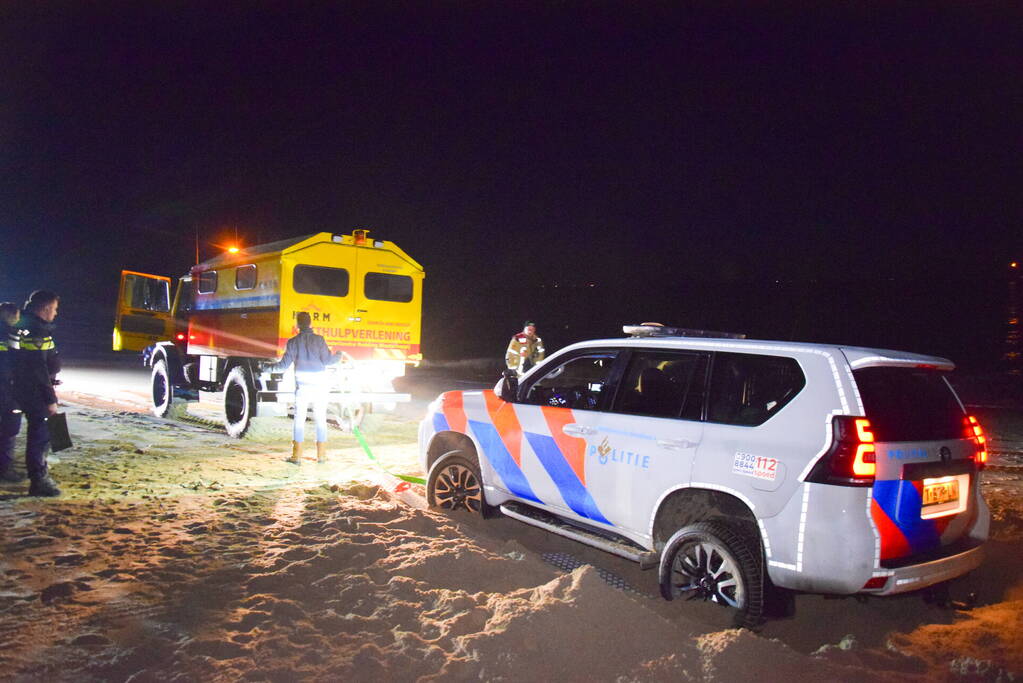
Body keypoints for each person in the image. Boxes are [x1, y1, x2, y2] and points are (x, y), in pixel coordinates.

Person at [269, 311, 339, 464]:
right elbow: (328, 361)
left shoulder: (293, 342)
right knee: (320, 419)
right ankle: (321, 456)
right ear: (310, 323)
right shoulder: (319, 340)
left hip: (303, 386)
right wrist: (339, 355)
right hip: (320, 385)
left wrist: (267, 368)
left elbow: (283, 365)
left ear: (298, 324)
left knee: (299, 419)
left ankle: (296, 456)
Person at [12, 290, 61, 496]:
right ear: (46, 308)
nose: (56, 313)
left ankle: (41, 472)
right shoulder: (36, 330)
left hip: (25, 387)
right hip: (35, 390)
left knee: (48, 432)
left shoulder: (24, 324)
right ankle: (39, 480)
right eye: (55, 309)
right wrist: (50, 399)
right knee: (42, 434)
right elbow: (37, 368)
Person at [0, 302, 24, 483]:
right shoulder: (12, 334)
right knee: (9, 430)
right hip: (7, 389)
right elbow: (16, 361)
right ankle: (5, 470)